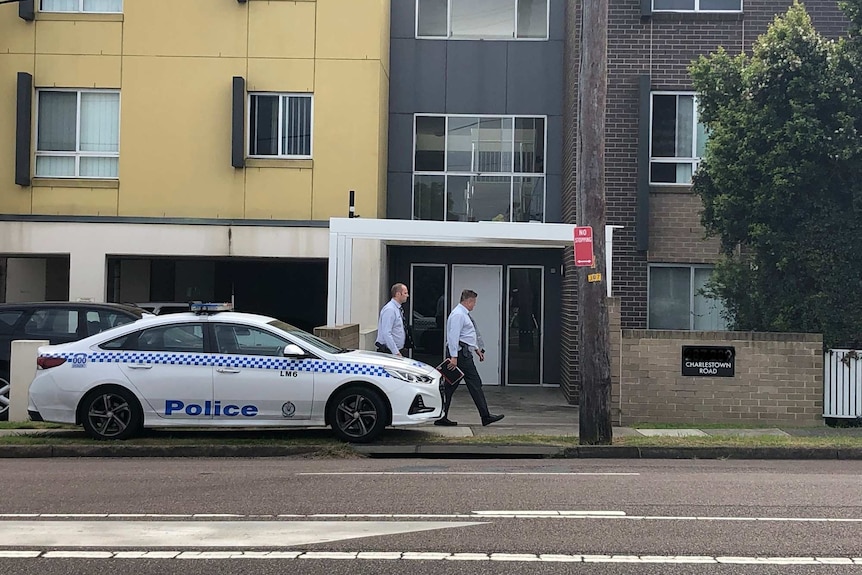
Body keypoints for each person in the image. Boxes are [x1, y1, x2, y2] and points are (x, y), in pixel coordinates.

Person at [436, 289, 505, 427]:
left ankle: (442, 416)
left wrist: (476, 349)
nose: (474, 305)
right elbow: (453, 336)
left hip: (463, 352)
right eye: (474, 302)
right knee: (475, 383)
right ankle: (485, 416)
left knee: (449, 386)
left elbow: (467, 336)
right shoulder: (458, 315)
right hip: (461, 355)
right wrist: (454, 357)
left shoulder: (462, 314)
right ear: (468, 301)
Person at [375, 283, 410, 356]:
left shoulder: (397, 309)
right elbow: (386, 333)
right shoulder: (390, 310)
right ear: (398, 294)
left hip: (396, 350)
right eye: (405, 293)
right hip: (389, 352)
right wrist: (396, 352)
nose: (407, 295)